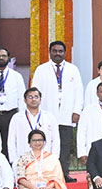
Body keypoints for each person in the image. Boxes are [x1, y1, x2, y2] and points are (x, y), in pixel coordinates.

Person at [32, 40, 84, 176]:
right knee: (47, 145)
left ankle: (64, 175)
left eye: (60, 51)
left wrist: (77, 111)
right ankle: (48, 174)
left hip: (67, 114)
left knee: (65, 146)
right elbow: (35, 93)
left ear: (65, 53)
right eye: (54, 51)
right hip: (47, 114)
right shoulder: (41, 70)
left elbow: (79, 92)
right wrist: (37, 113)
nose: (57, 54)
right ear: (50, 52)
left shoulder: (73, 69)